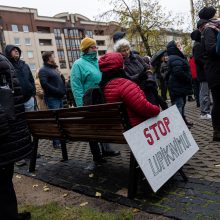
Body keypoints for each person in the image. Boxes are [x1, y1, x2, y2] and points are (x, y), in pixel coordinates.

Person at [70, 37, 120, 164]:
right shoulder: (78, 64)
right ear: (86, 49)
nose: (95, 49)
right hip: (88, 101)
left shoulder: (97, 62)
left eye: (96, 47)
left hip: (100, 99)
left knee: (103, 125)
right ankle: (96, 155)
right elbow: (76, 87)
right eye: (93, 47)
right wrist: (82, 105)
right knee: (92, 128)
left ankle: (106, 149)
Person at [0, 52, 32, 220]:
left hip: (8, 132)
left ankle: (10, 215)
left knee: (5, 181)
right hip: (4, 133)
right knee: (3, 182)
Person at [99, 52, 160, 127]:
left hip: (120, 128)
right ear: (120, 65)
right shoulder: (124, 85)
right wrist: (157, 109)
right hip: (136, 127)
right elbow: (144, 108)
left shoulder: (104, 86)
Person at [197, 6, 220, 141]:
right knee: (218, 102)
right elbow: (211, 49)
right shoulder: (208, 29)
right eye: (215, 13)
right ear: (210, 15)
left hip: (216, 70)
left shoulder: (212, 27)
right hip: (215, 71)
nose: (217, 14)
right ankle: (217, 131)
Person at [39, 51, 66, 148]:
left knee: (61, 119)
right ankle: (56, 142)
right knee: (55, 120)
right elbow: (44, 84)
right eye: (52, 56)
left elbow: (60, 82)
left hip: (59, 97)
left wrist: (61, 76)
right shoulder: (43, 70)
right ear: (48, 58)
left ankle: (63, 140)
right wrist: (57, 91)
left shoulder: (54, 69)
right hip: (52, 98)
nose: (54, 57)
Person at [166, 40, 193, 127]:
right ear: (174, 48)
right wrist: (188, 78)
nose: (180, 47)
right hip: (177, 85)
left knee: (181, 104)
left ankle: (183, 121)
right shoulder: (175, 57)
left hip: (179, 85)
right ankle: (179, 125)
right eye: (178, 45)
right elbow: (178, 71)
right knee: (179, 105)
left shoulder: (176, 57)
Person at [5, 45, 36, 112]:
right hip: (16, 102)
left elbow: (31, 80)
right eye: (13, 50)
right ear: (8, 53)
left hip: (29, 99)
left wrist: (33, 94)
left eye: (17, 49)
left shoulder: (25, 65)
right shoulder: (6, 66)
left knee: (32, 120)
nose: (16, 51)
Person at [191, 29, 211, 119]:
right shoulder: (198, 45)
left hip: (202, 73)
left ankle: (205, 111)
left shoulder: (197, 45)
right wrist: (207, 62)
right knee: (204, 93)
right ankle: (204, 112)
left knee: (204, 92)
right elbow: (198, 59)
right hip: (203, 73)